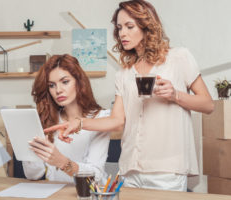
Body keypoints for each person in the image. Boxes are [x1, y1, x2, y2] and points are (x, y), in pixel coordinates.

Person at [44, 0, 214, 192]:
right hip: (130, 171)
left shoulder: (178, 58)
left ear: (146, 26)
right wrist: (79, 123)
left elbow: (208, 105)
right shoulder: (124, 73)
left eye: (129, 26)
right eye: (119, 28)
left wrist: (175, 95)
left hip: (166, 170)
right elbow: (117, 121)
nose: (122, 33)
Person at [22, 54, 110, 183]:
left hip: (87, 195)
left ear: (79, 82)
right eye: (51, 85)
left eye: (65, 82)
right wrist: (28, 148)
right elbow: (33, 175)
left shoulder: (100, 118)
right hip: (55, 194)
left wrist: (62, 162)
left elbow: (94, 177)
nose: (58, 90)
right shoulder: (48, 119)